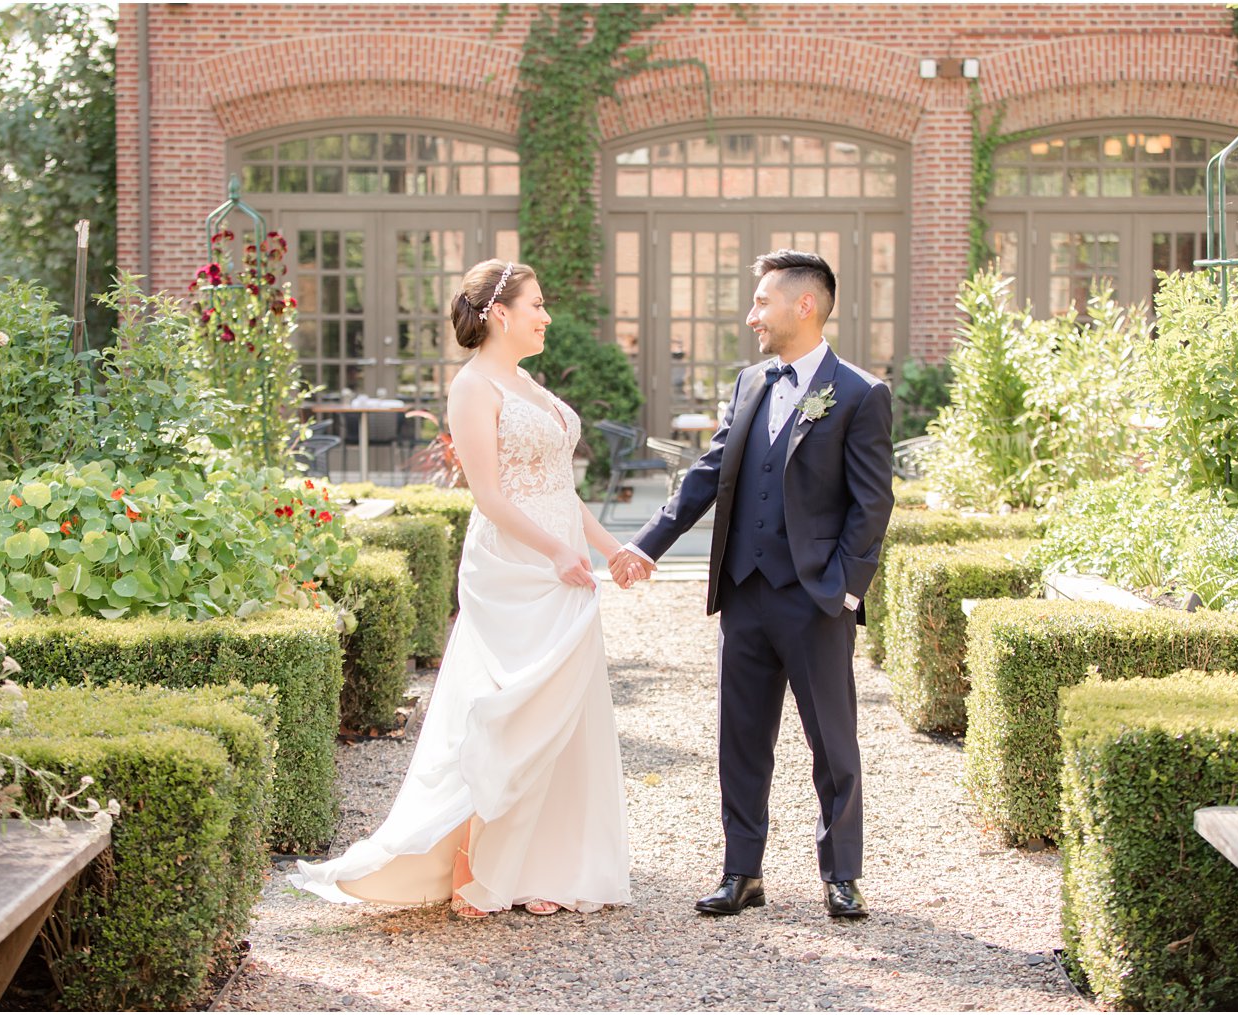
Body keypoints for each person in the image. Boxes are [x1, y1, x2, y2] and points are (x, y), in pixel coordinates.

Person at [292, 259, 636, 919]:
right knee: (511, 710)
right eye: (537, 304)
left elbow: (562, 489)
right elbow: (490, 496)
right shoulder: (474, 387)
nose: (547, 315)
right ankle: (479, 863)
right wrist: (558, 549)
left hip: (564, 567)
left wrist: (610, 548)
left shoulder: (528, 381)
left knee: (561, 716)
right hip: (514, 566)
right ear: (499, 313)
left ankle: (548, 867)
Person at [612, 249, 894, 919]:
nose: (751, 316)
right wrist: (645, 544)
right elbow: (708, 474)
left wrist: (844, 590)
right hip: (744, 593)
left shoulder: (859, 393)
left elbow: (871, 505)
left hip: (814, 596)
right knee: (740, 737)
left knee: (832, 740)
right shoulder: (749, 384)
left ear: (805, 305)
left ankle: (842, 873)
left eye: (761, 301)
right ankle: (743, 872)